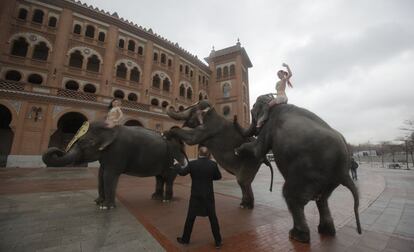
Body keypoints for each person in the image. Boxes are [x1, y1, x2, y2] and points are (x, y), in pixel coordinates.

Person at [172, 146, 223, 248]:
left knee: (190, 218)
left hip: (196, 195)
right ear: (208, 154)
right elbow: (218, 177)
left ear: (198, 153)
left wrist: (176, 164)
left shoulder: (192, 164)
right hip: (208, 196)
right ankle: (218, 241)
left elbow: (182, 173)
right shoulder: (212, 164)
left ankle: (185, 239)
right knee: (213, 218)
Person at [256, 63, 293, 128]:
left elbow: (290, 74)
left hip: (281, 97)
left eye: (279, 74)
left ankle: (264, 118)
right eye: (277, 75)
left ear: (283, 74)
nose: (278, 76)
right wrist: (272, 94)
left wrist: (287, 66)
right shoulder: (279, 82)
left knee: (267, 106)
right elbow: (279, 91)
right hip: (282, 97)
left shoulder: (283, 80)